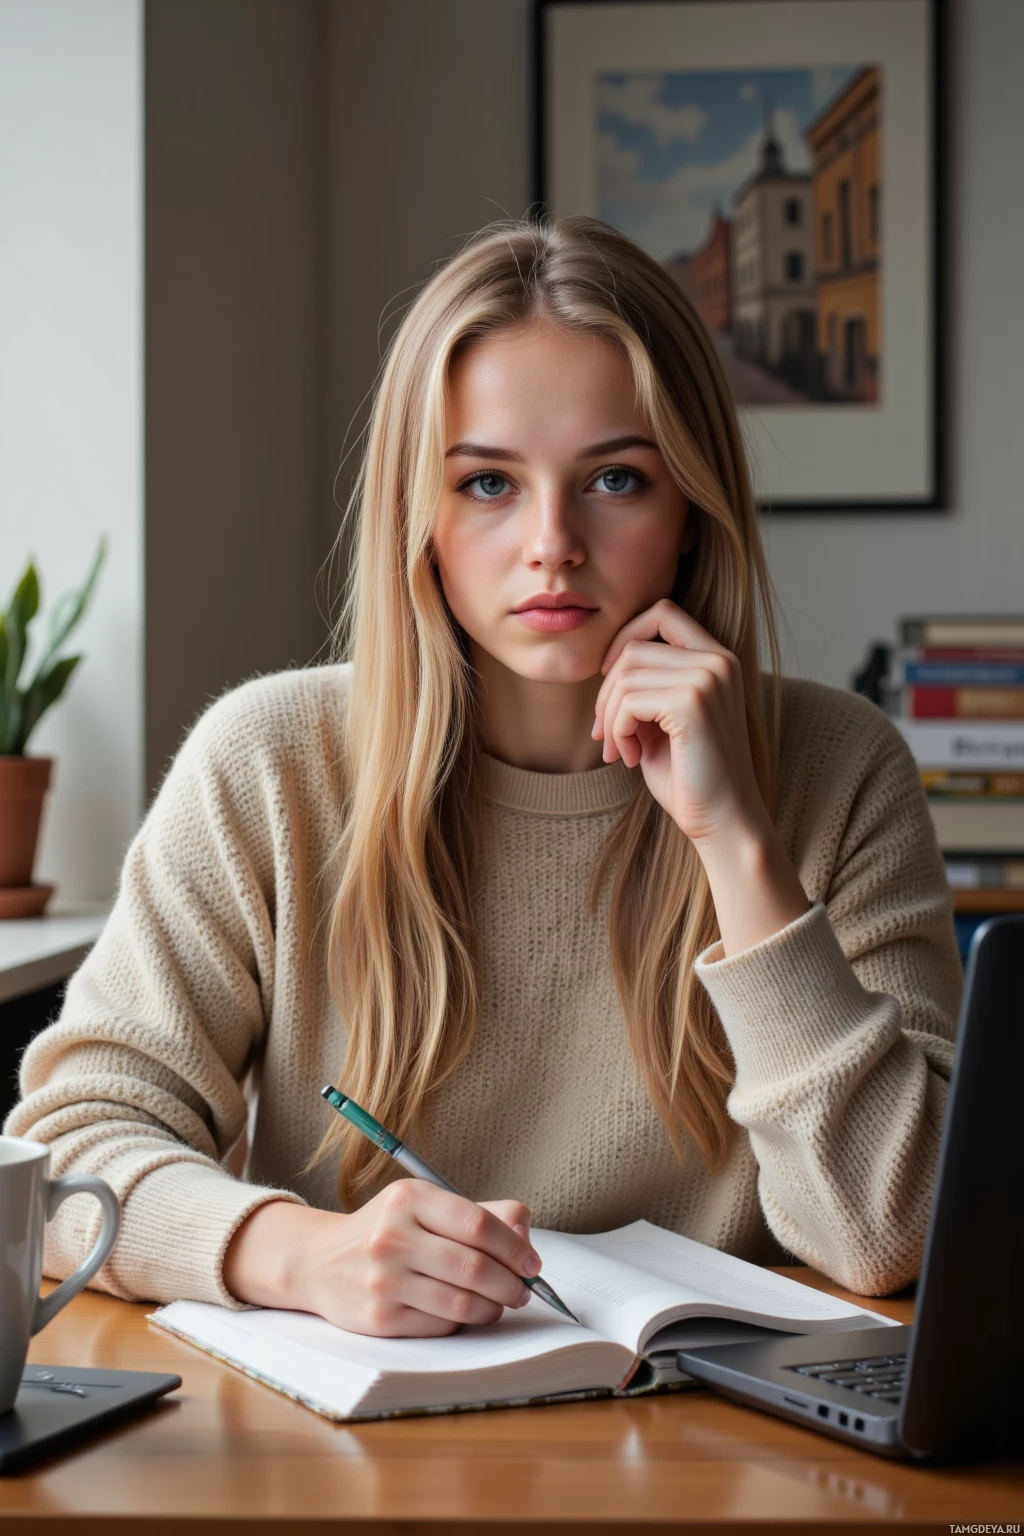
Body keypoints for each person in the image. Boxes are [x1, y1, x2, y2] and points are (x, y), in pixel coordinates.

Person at [6, 218, 961, 1338]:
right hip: (343, 1460)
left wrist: (738, 844)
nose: (551, 544)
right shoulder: (267, 763)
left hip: (722, 1459)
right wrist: (301, 1254)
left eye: (614, 477)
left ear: (692, 513)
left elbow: (894, 1233)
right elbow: (67, 1151)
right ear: (420, 514)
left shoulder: (839, 770)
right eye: (487, 485)